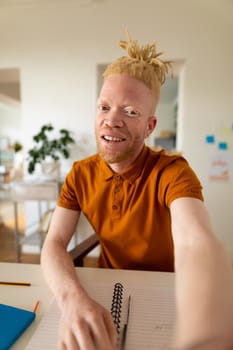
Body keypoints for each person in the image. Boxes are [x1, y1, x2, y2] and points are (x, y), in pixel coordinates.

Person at [41, 31, 233, 350]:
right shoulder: (80, 173)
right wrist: (72, 299)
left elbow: (195, 242)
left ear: (150, 126)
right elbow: (54, 243)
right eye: (104, 107)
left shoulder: (172, 171)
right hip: (106, 290)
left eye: (130, 112)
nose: (111, 121)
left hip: (169, 296)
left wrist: (206, 335)